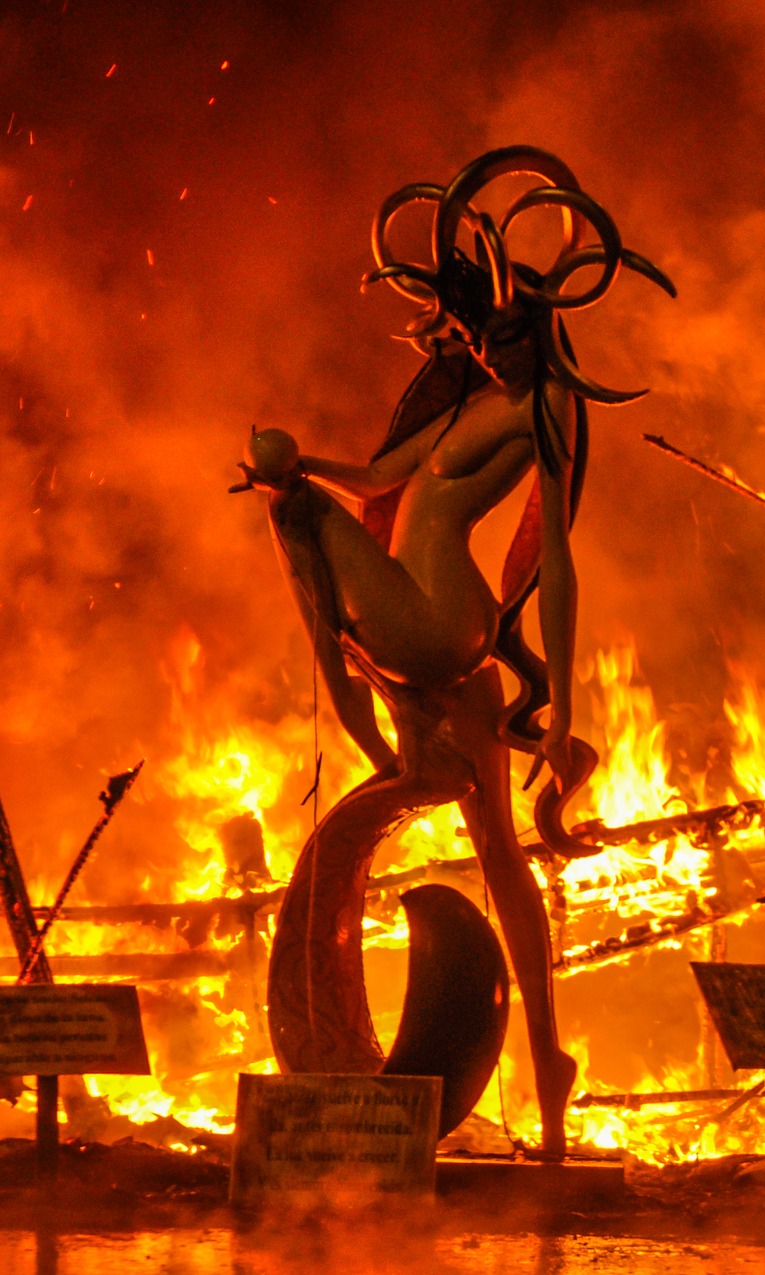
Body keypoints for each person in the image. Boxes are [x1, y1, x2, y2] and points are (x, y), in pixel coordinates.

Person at [237, 146, 674, 1156]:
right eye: (482, 336)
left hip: (437, 621)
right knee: (503, 858)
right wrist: (298, 464)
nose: (490, 350)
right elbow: (374, 481)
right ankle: (551, 1063)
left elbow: (554, 556)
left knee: (296, 517)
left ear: (540, 330)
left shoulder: (546, 406)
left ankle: (351, 704)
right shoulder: (466, 402)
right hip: (434, 634)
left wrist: (565, 707)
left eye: (507, 337)